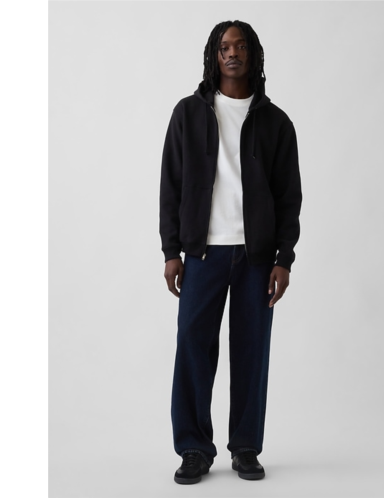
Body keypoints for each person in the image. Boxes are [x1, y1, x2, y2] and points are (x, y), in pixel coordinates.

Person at [160, 20, 302, 485]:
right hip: (202, 254)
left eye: (240, 46)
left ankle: (245, 448)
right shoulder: (188, 113)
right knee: (192, 347)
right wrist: (171, 251)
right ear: (214, 55)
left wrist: (283, 258)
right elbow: (171, 186)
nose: (232, 53)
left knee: (251, 352)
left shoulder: (276, 122)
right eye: (224, 47)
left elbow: (289, 196)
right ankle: (194, 448)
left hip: (256, 257)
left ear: (253, 54)